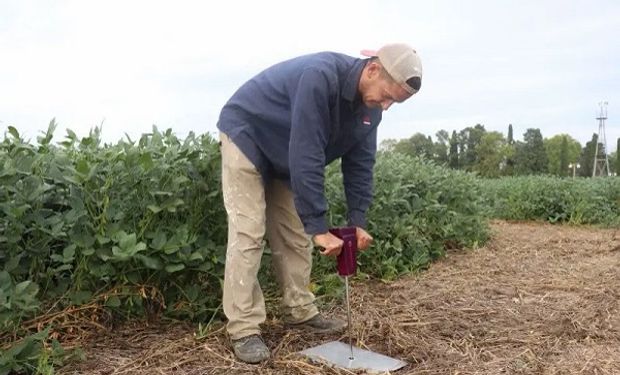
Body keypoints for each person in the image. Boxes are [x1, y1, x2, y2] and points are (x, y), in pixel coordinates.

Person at [216, 43, 422, 363]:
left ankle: (299, 310)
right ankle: (244, 328)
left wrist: (358, 220)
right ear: (372, 69)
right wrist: (319, 226)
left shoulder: (371, 111)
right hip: (248, 135)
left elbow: (360, 165)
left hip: (285, 153)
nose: (385, 106)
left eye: (393, 102)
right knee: (249, 232)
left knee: (295, 235)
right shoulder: (320, 77)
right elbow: (307, 152)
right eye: (386, 96)